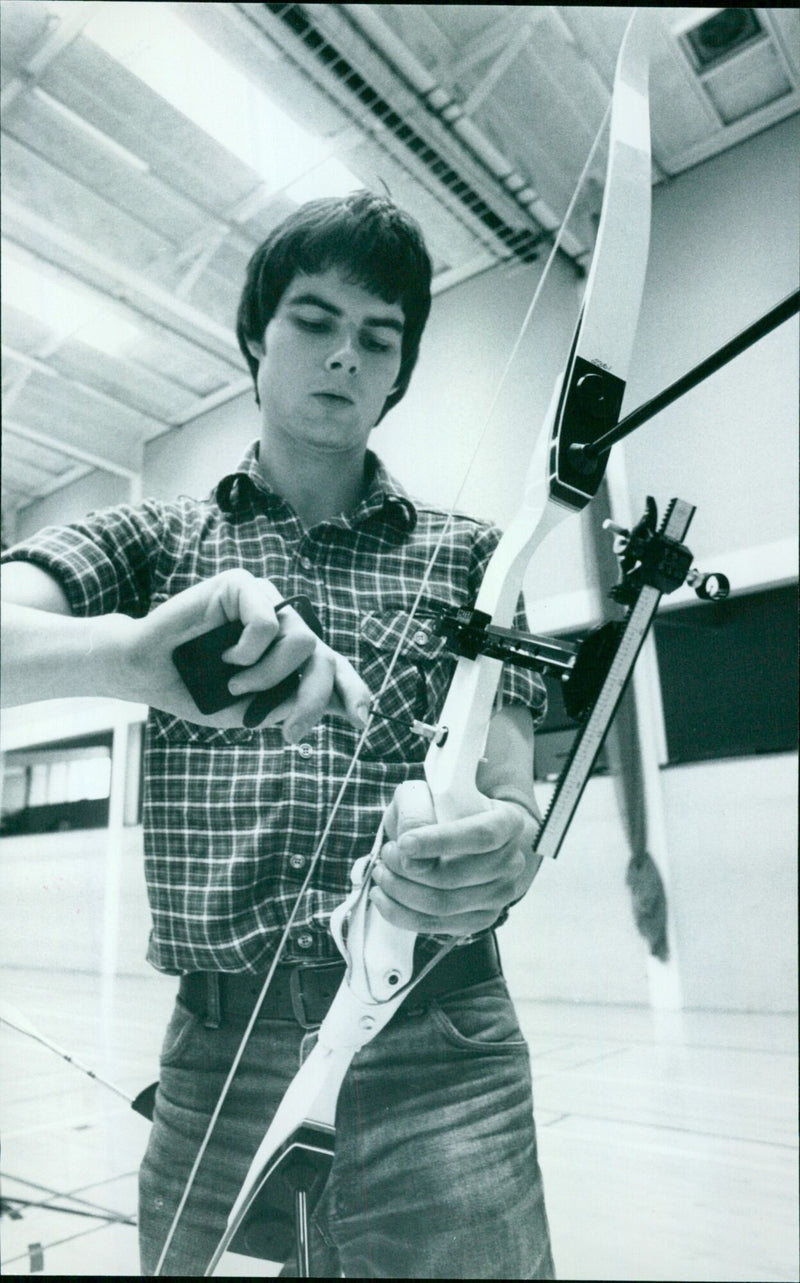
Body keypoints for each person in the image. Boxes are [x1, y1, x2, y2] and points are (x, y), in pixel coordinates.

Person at [1, 192, 555, 1278]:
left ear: (399, 371)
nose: (344, 353)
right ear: (256, 333)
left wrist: (499, 844)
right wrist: (123, 657)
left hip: (441, 1047)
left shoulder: (477, 561)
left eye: (377, 335)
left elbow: (510, 792)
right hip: (222, 1055)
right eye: (313, 318)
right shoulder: (154, 539)